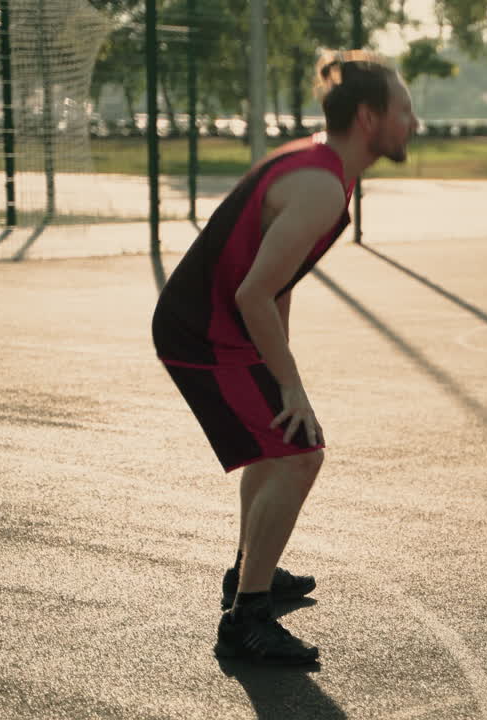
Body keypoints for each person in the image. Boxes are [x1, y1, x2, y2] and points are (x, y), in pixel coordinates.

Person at [151, 49, 418, 665]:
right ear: (371, 117)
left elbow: (278, 280)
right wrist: (291, 387)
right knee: (301, 453)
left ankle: (251, 571)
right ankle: (246, 618)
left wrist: (279, 369)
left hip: (217, 323)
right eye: (404, 109)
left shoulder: (318, 165)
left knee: (274, 443)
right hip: (204, 331)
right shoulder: (321, 186)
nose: (414, 121)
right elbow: (252, 293)